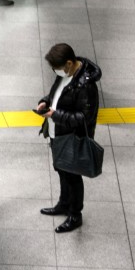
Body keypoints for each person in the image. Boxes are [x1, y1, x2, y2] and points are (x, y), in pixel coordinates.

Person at [36, 43, 101, 234]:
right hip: (58, 132)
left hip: (72, 137)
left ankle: (75, 215)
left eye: (58, 68)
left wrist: (55, 115)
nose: (57, 72)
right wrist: (45, 101)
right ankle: (64, 204)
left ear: (70, 63)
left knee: (72, 176)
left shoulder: (87, 87)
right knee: (61, 170)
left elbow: (84, 118)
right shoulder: (64, 73)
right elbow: (56, 94)